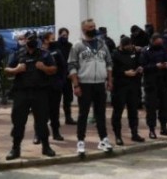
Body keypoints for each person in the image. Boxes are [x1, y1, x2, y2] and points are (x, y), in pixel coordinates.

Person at [4, 31, 57, 159]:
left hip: (40, 92)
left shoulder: (44, 54)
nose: (31, 41)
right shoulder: (17, 54)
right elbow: (6, 70)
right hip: (22, 92)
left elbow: (54, 69)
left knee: (42, 121)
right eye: (29, 39)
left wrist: (44, 67)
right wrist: (16, 70)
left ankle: (46, 146)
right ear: (25, 40)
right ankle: (15, 148)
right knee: (18, 122)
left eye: (34, 38)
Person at [68, 18, 115, 157]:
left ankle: (103, 139)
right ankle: (81, 141)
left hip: (100, 84)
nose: (93, 28)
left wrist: (110, 80)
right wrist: (76, 85)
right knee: (83, 114)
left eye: (94, 26)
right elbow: (71, 66)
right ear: (83, 29)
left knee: (100, 114)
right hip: (84, 84)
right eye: (90, 27)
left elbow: (109, 63)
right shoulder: (77, 46)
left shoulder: (102, 44)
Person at [111, 36, 146, 145]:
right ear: (122, 45)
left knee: (133, 111)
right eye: (128, 46)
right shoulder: (115, 55)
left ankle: (134, 133)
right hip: (120, 86)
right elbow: (112, 70)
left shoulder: (134, 52)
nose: (130, 47)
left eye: (131, 45)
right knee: (118, 111)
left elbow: (139, 62)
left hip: (133, 86)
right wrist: (124, 73)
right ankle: (118, 135)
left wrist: (139, 68)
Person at [141, 33, 167, 138]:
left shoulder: (164, 50)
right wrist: (156, 66)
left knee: (164, 105)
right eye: (158, 42)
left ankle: (164, 127)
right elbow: (143, 66)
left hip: (163, 82)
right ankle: (152, 129)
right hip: (151, 83)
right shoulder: (145, 51)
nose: (160, 43)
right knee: (151, 107)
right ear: (152, 41)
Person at [41, 31, 68, 142]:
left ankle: (56, 133)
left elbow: (63, 67)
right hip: (41, 87)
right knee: (41, 112)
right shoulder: (38, 52)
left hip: (55, 86)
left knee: (54, 111)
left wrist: (61, 81)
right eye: (51, 39)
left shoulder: (57, 52)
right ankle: (39, 134)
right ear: (45, 40)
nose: (54, 41)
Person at [56, 27, 77, 125]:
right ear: (59, 35)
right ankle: (54, 118)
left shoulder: (70, 46)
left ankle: (68, 117)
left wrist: (71, 72)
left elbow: (72, 60)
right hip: (57, 76)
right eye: (63, 35)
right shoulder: (55, 45)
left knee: (68, 98)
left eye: (66, 35)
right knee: (55, 99)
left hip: (67, 76)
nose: (65, 37)